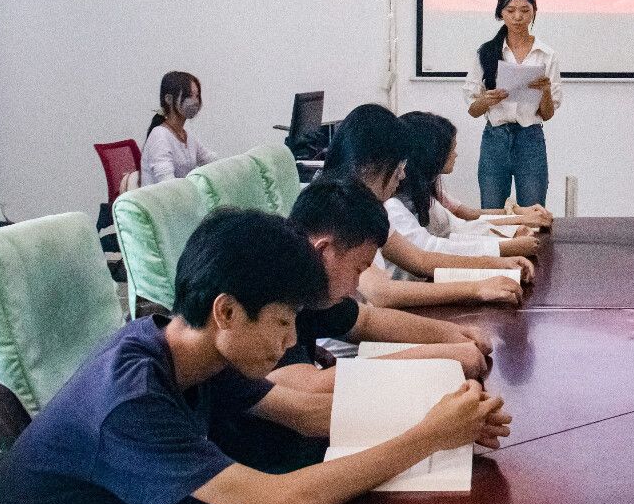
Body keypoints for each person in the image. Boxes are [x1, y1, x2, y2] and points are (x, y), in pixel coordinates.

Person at [0, 208, 511, 504]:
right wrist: (428, 436)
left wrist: (442, 415)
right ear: (226, 311)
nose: (291, 339)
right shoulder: (129, 400)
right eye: (281, 322)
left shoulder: (190, 350)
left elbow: (306, 414)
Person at [214, 179, 499, 474]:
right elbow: (307, 398)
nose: (291, 339)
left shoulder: (303, 286)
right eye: (358, 269)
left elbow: (365, 320)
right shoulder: (269, 289)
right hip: (282, 463)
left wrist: (452, 336)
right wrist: (438, 363)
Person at [321, 103, 534, 309]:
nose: (402, 175)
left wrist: (498, 264)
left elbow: (420, 259)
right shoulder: (340, 211)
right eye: (398, 166)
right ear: (369, 165)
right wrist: (477, 287)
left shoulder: (370, 208)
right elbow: (382, 293)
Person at [390, 111, 546, 262]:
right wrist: (506, 245)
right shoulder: (393, 205)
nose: (456, 154)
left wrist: (513, 229)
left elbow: (460, 227)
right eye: (452, 149)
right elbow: (430, 250)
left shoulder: (426, 194)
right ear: (433, 154)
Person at [464, 0, 561, 209]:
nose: (518, 17)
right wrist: (487, 100)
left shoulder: (546, 55)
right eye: (511, 10)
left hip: (530, 138)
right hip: (495, 138)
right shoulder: (486, 52)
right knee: (492, 211)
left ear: (534, 11)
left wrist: (545, 91)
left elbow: (547, 115)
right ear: (501, 12)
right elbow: (473, 110)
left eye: (525, 10)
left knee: (533, 212)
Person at [141, 70, 216, 185]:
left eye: (197, 96)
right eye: (189, 96)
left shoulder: (186, 135)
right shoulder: (159, 136)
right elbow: (168, 184)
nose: (195, 102)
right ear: (169, 99)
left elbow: (210, 160)